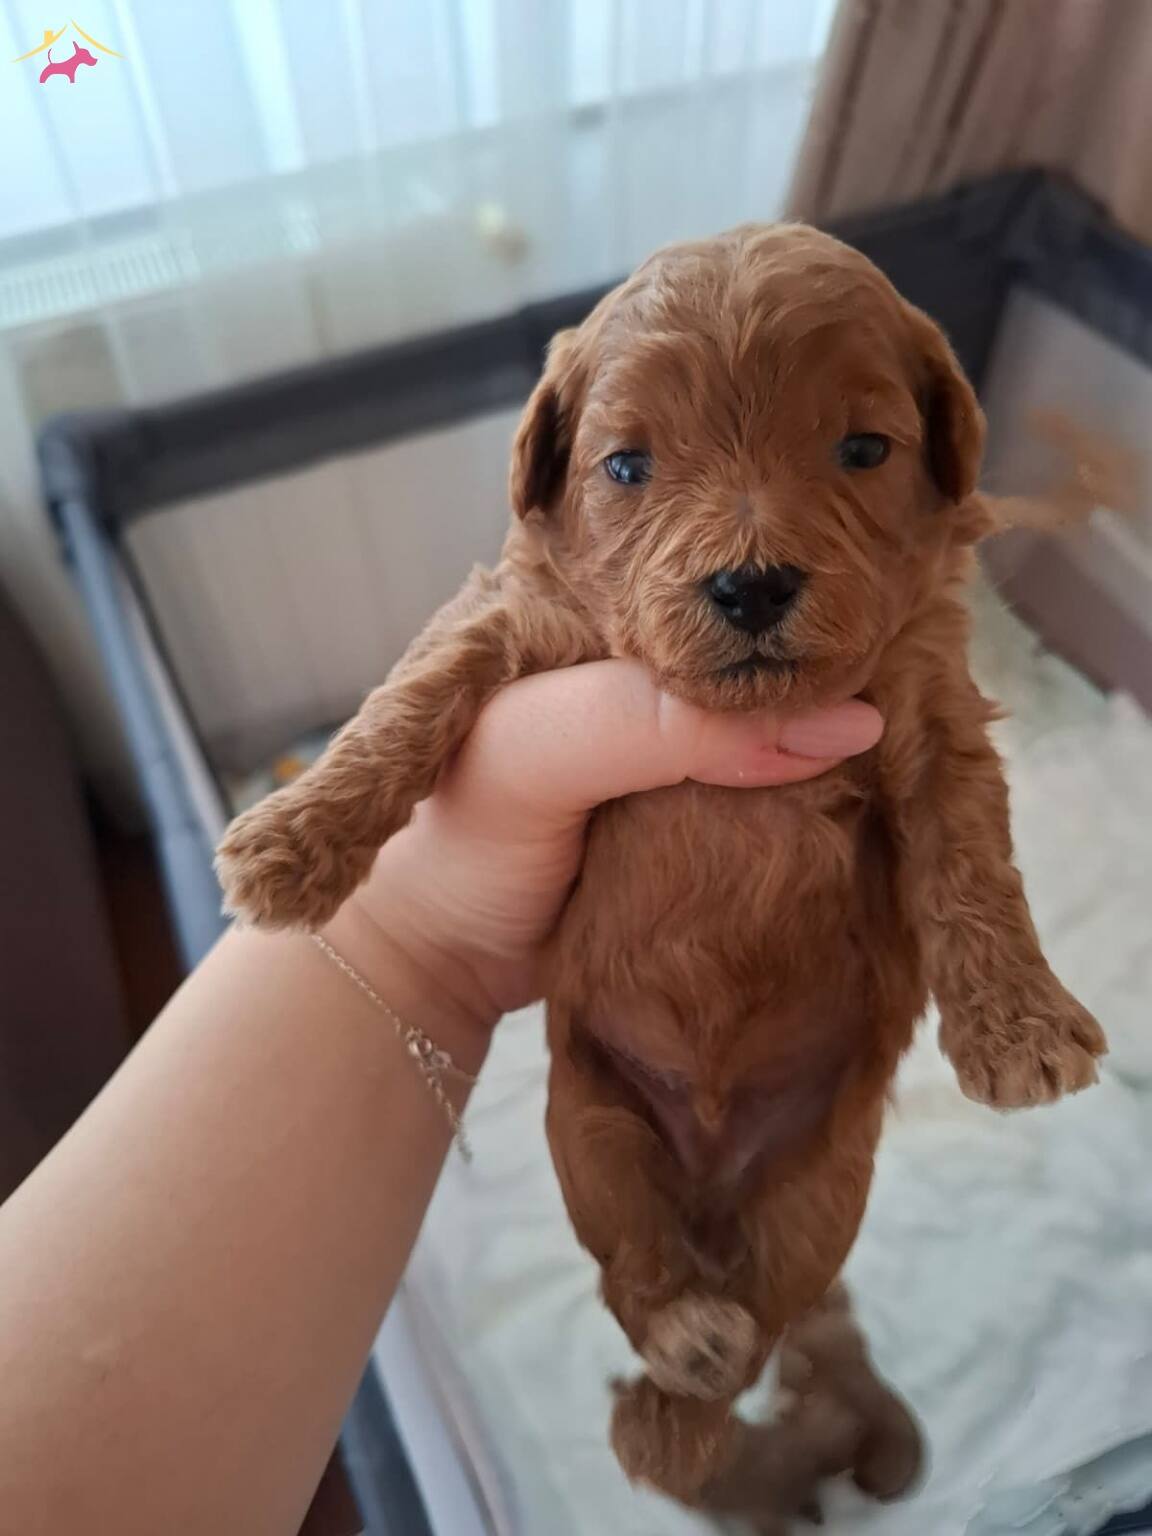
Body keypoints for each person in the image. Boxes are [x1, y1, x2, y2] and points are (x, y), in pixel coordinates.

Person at [0, 659, 882, 1534]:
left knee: (791, 1214)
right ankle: (710, 1407)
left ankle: (813, 1343)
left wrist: (413, 934)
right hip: (632, 1052)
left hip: (778, 1044)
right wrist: (397, 913)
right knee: (655, 1211)